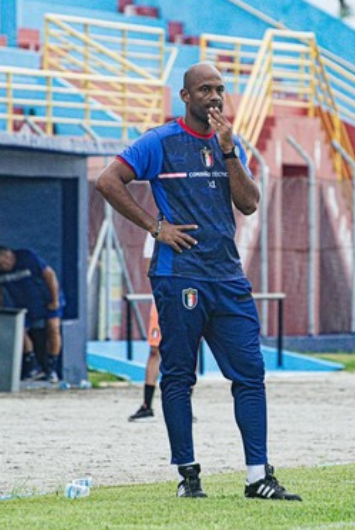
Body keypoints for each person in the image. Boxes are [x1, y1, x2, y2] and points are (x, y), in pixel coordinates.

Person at [96, 62, 301, 500]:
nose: (214, 97)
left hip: (227, 276)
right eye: (205, 89)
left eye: (220, 90)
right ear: (185, 96)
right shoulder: (160, 142)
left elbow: (248, 204)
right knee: (178, 375)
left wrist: (229, 152)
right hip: (179, 276)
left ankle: (257, 477)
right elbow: (108, 181)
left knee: (250, 374)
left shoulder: (231, 143)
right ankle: (188, 476)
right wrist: (156, 228)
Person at [0, 245, 64, 384]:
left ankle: (51, 367)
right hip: (25, 305)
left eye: (2, 263)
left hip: (46, 299)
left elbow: (49, 275)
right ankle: (32, 365)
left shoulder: (27, 258)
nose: (1, 267)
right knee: (18, 331)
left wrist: (54, 300)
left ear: (9, 255)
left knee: (53, 328)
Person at [128, 234, 162, 422]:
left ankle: (186, 405)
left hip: (188, 296)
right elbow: (148, 267)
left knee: (188, 350)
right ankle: (147, 405)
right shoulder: (155, 232)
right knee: (155, 349)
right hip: (164, 297)